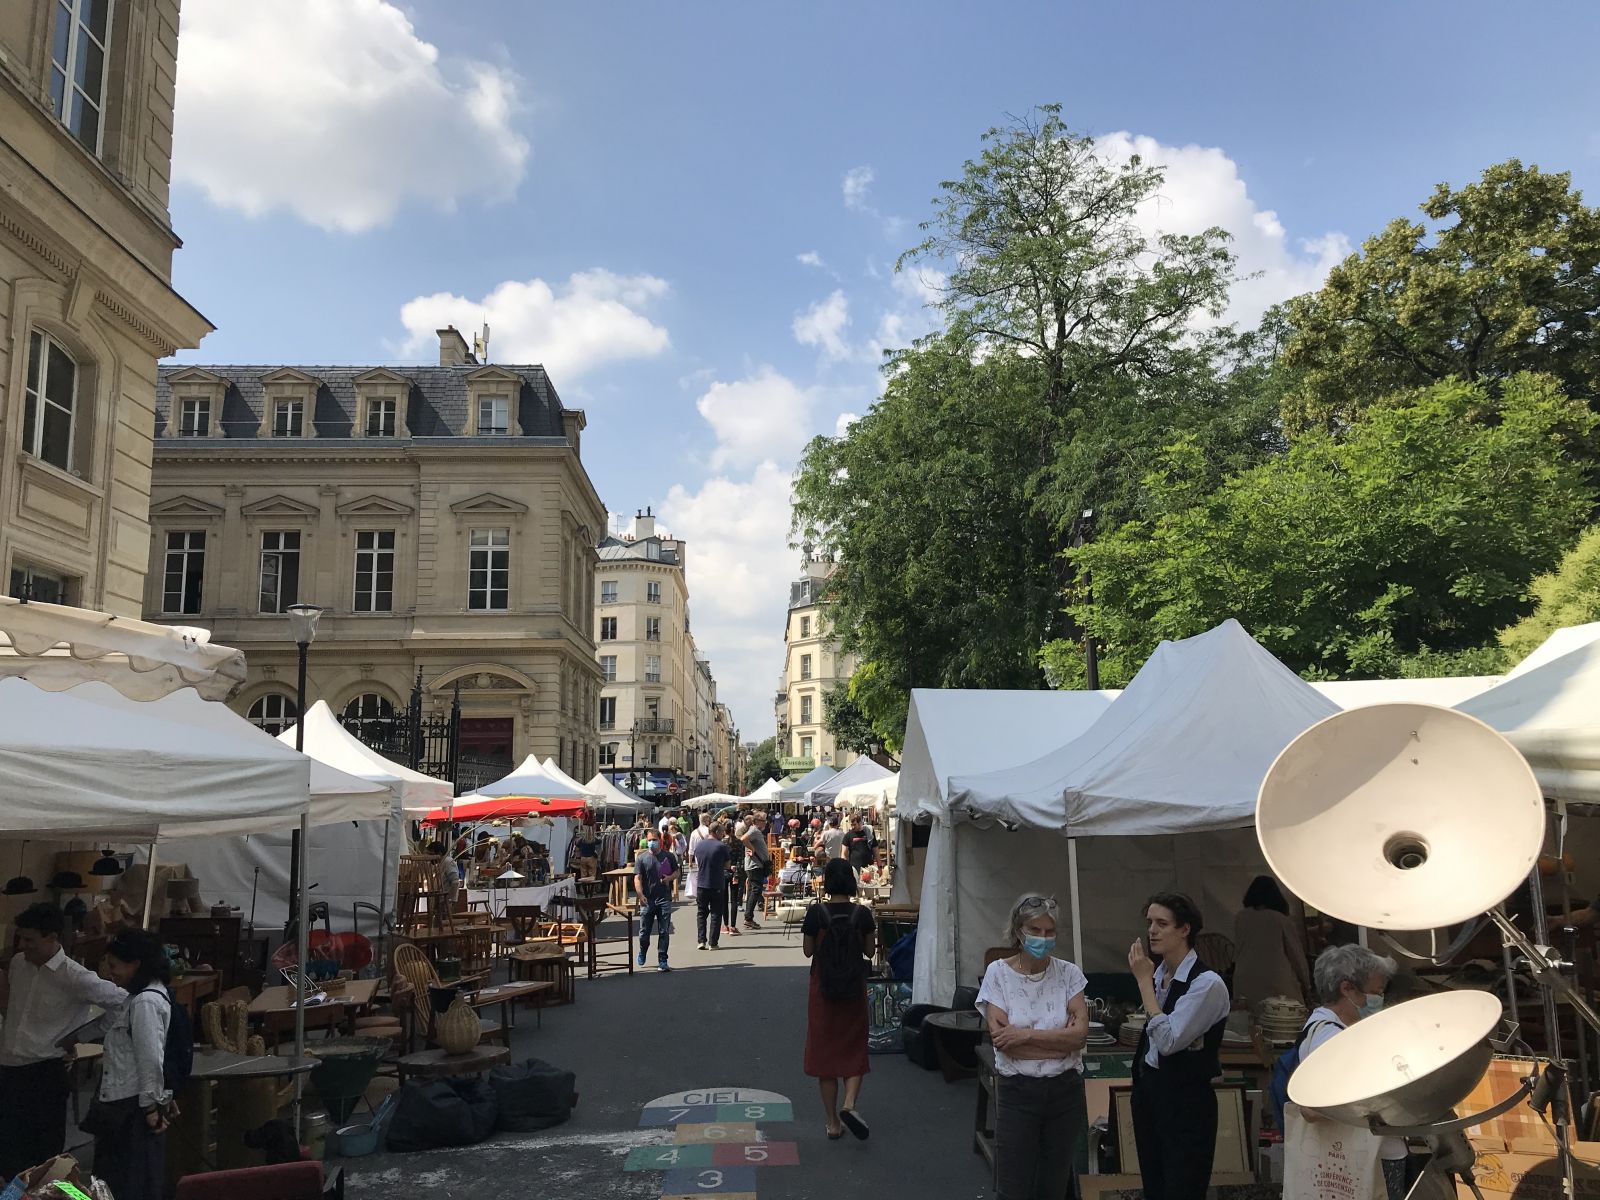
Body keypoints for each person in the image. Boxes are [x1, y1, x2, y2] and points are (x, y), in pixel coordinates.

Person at [0, 903, 130, 1179]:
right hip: (10, 1070)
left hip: (45, 1072)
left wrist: (81, 1036)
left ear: (52, 938)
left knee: (48, 1156)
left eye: (30, 940)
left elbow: (123, 1003)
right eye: (21, 938)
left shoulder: (74, 975)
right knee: (9, 1151)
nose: (24, 945)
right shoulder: (17, 965)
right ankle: (14, 1199)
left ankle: (64, 1196)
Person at [977, 896, 1090, 1200]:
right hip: (1018, 1091)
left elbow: (1079, 1038)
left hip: (1065, 1092)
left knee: (1052, 1185)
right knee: (1013, 1185)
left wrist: (1024, 1036)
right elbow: (1003, 1045)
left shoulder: (1069, 974)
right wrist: (1058, 1044)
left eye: (1049, 931)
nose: (1042, 937)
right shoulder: (998, 974)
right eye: (1035, 929)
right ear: (1018, 930)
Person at [1128, 892, 1232, 1200]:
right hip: (1151, 1095)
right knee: (1155, 1186)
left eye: (1162, 924)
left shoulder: (1207, 983)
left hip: (1186, 1102)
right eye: (1150, 923)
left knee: (1182, 1188)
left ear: (1185, 930)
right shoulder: (1160, 974)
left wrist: (1144, 984)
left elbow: (1170, 1040)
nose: (1153, 931)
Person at [1284, 945, 1405, 1200]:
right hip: (1365, 1158)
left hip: (1367, 1154)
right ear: (1347, 988)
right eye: (1375, 993)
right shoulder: (1330, 1037)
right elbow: (1311, 1108)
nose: (1378, 1001)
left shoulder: (1334, 1029)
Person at [88, 928, 174, 1200]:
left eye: (114, 966)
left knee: (127, 1183)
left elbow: (149, 1057)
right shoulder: (138, 997)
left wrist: (151, 1106)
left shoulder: (146, 1001)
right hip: (125, 1101)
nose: (110, 972)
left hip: (131, 1107)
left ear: (135, 964)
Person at [802, 859, 876, 1141]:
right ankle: (849, 1105)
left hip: (823, 989)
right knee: (854, 1047)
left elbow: (808, 952)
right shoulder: (862, 914)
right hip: (854, 989)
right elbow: (869, 952)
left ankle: (833, 1122)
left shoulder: (816, 913)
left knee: (825, 1053)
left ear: (828, 882)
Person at [1231, 875, 1312, 1008]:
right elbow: (1296, 956)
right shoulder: (1280, 920)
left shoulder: (1240, 918)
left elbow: (1237, 951)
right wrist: (1306, 986)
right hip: (1277, 983)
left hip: (1245, 981)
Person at [634, 832, 678, 972]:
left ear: (660, 840)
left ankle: (663, 960)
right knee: (644, 932)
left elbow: (677, 872)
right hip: (647, 900)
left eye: (654, 839)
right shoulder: (642, 858)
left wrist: (669, 878)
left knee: (664, 931)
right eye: (650, 840)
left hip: (664, 899)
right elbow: (637, 878)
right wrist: (640, 894)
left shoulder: (668, 856)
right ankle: (642, 950)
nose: (652, 842)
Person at [694, 821, 731, 950]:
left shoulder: (699, 845)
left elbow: (698, 861)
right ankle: (713, 942)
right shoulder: (721, 846)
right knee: (716, 913)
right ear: (716, 832)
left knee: (701, 913)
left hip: (702, 883)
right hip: (716, 884)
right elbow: (727, 865)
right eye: (721, 831)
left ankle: (701, 940)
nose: (723, 834)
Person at [742, 812, 772, 930]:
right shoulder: (754, 830)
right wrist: (752, 849)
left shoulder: (755, 831)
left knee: (753, 891)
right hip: (755, 865)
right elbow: (744, 839)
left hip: (756, 865)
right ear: (758, 821)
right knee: (756, 890)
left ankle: (748, 917)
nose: (766, 823)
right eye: (764, 821)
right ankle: (748, 918)